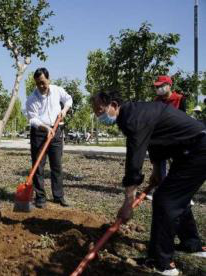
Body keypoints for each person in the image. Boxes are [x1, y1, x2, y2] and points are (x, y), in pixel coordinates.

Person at [91, 91, 206, 276]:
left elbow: (134, 160)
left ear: (113, 104)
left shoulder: (132, 118)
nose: (99, 115)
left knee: (164, 200)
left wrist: (128, 202)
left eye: (100, 110)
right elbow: (155, 142)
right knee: (177, 197)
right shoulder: (134, 112)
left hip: (198, 149)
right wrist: (155, 171)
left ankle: (162, 263)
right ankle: (192, 245)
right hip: (190, 150)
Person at [26, 68, 73, 208]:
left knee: (56, 165)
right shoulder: (31, 99)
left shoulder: (57, 90)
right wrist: (46, 128)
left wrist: (64, 110)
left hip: (56, 131)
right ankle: (40, 197)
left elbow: (68, 99)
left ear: (48, 79)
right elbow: (33, 120)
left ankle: (58, 196)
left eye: (43, 83)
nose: (41, 86)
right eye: (38, 83)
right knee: (38, 166)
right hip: (39, 133)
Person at [146, 75, 187, 201]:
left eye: (161, 86)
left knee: (178, 166)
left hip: (176, 137)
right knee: (159, 164)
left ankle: (182, 193)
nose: (158, 88)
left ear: (169, 85)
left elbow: (183, 119)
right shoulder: (156, 101)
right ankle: (160, 189)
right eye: (157, 86)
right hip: (161, 137)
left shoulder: (180, 99)